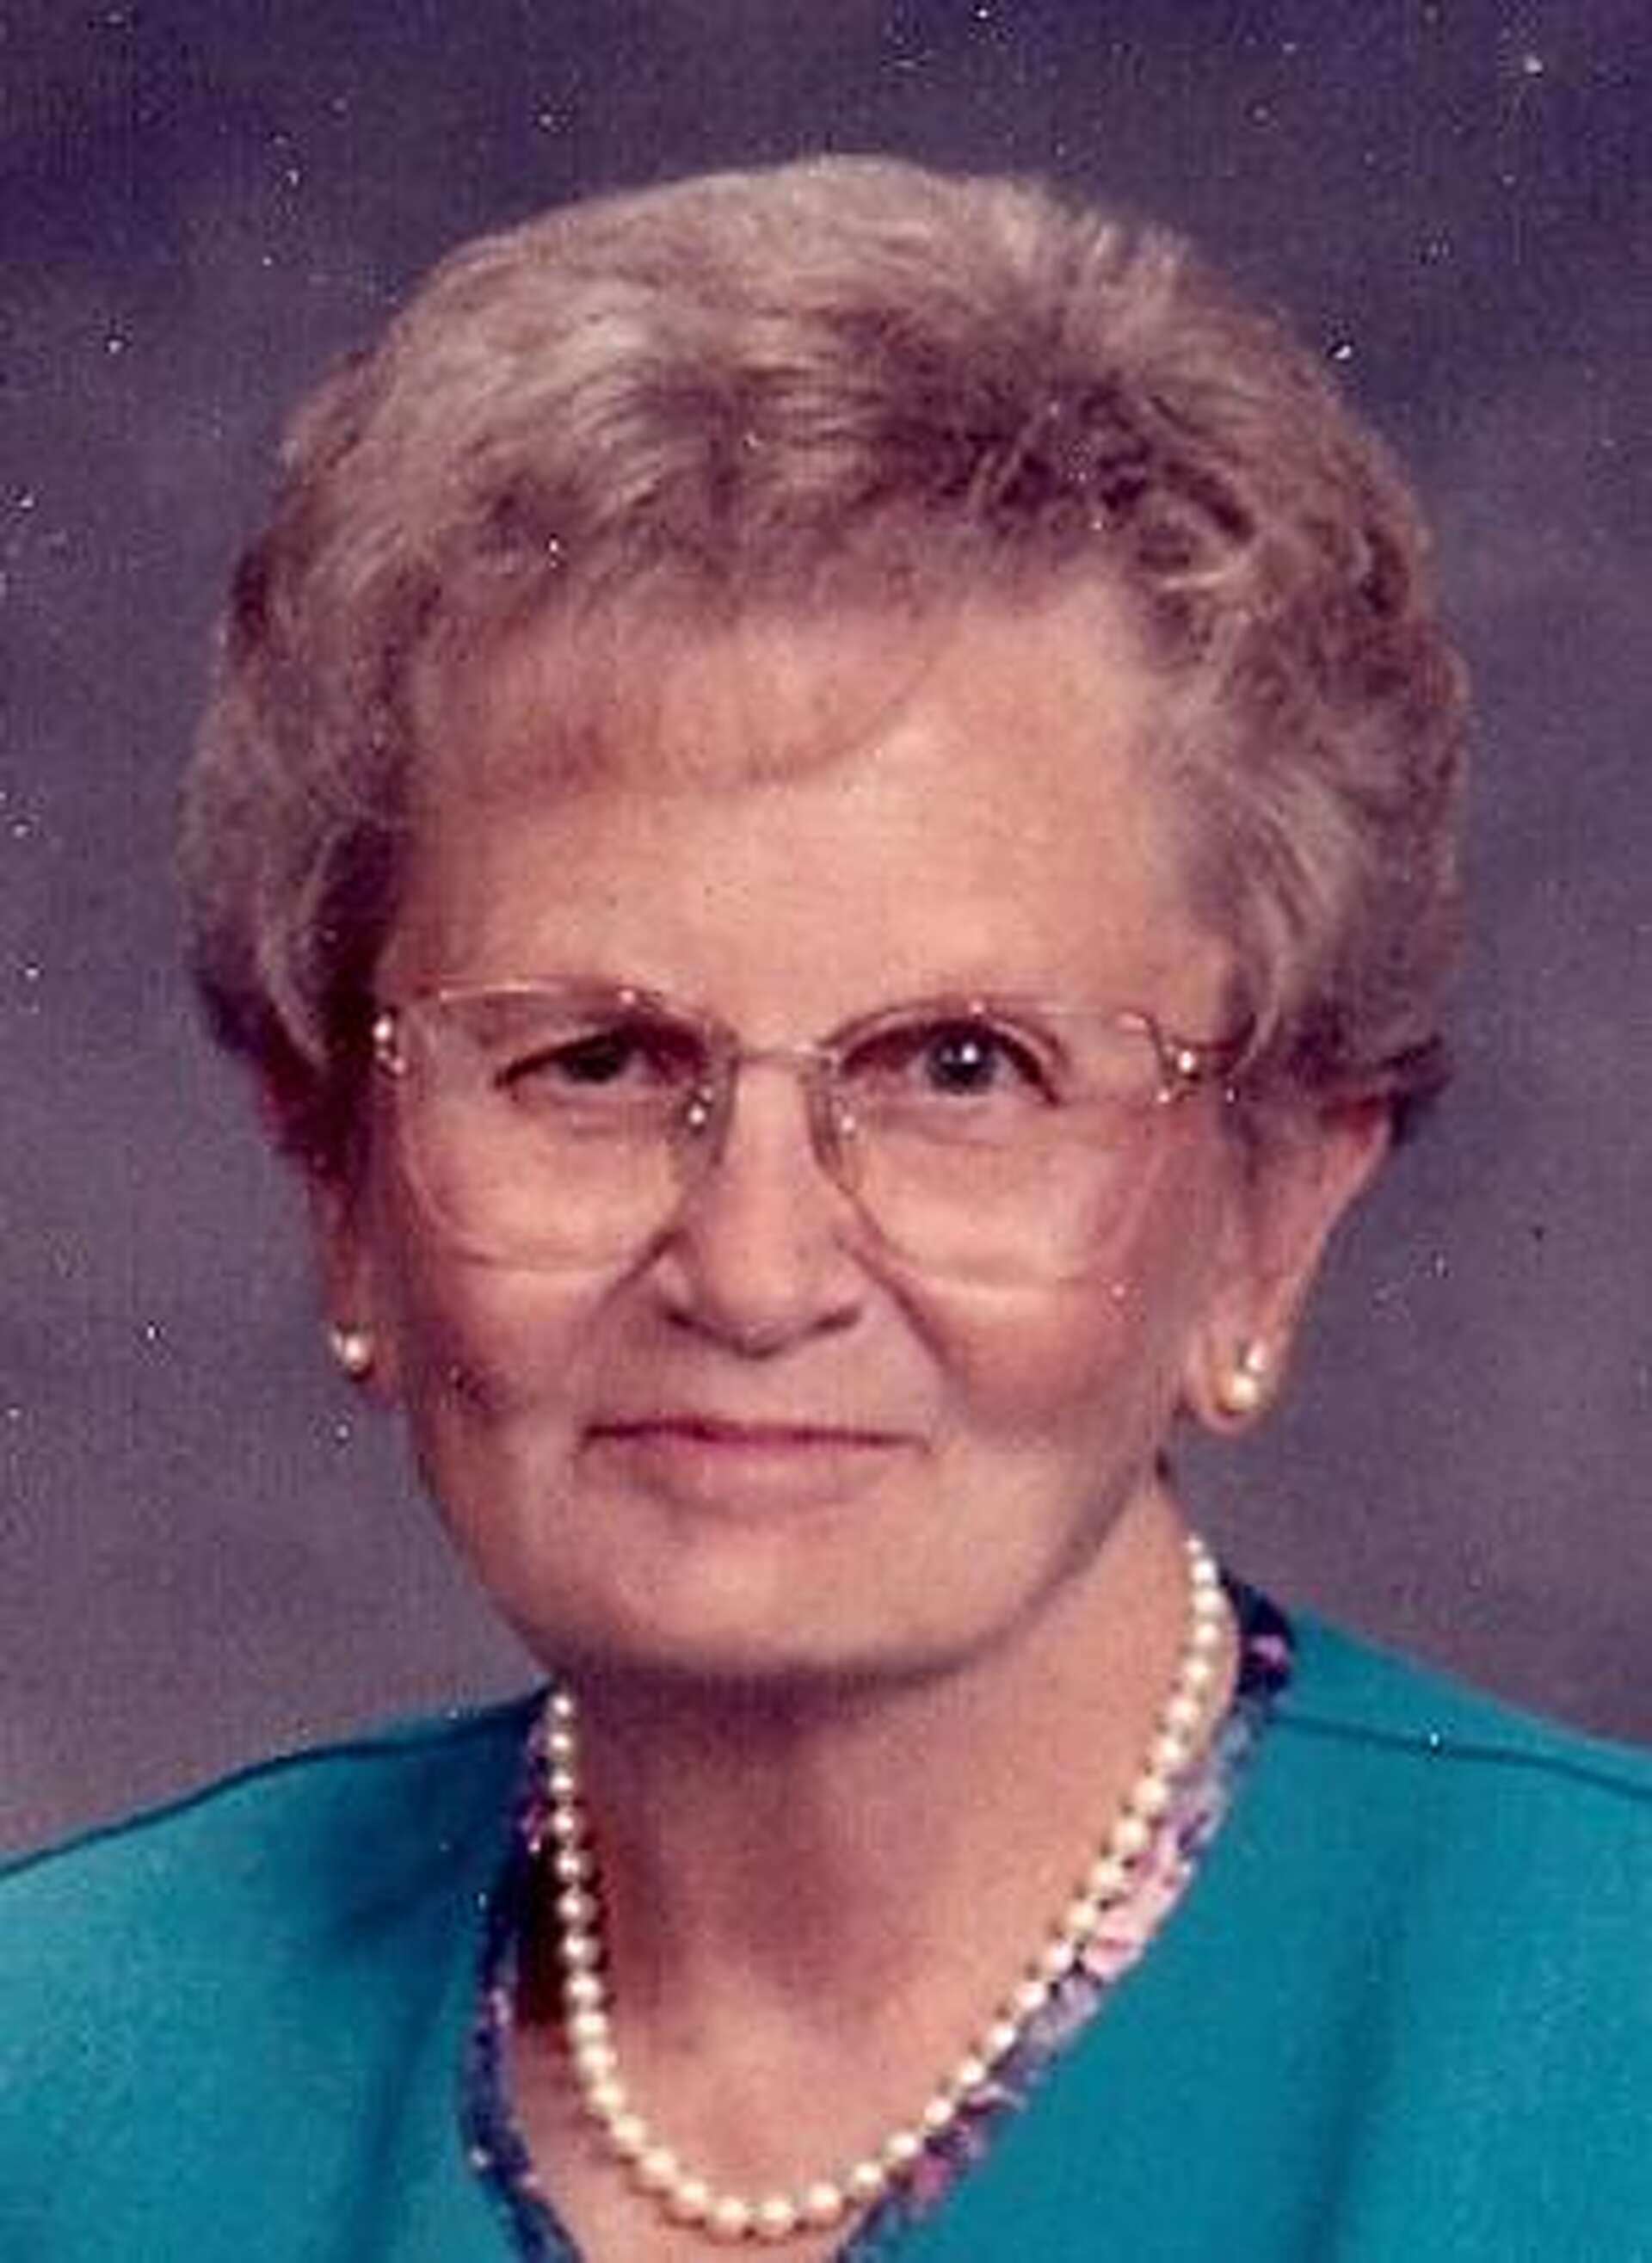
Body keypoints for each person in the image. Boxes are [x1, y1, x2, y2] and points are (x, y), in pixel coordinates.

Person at [3, 154, 1649, 2262]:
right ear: (338, 1174)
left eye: (962, 1066)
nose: (755, 1268)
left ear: (1270, 1211)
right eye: (595, 1059)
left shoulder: (1599, 2054)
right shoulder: (61, 2080)